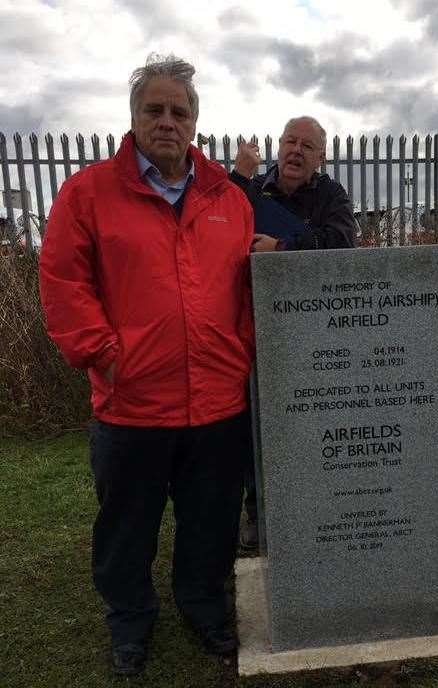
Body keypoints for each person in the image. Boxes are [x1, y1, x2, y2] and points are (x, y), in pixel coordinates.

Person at [39, 54, 254, 675]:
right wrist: (104, 357)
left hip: (217, 400)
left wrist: (242, 351)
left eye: (178, 110)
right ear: (133, 118)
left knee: (210, 520)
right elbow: (63, 282)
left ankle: (203, 604)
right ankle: (130, 620)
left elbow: (245, 285)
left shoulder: (228, 198)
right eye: (153, 109)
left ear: (195, 121)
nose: (167, 120)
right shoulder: (87, 194)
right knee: (126, 527)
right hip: (130, 400)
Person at [229, 116, 357, 549]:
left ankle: (314, 511)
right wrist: (241, 173)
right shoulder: (251, 189)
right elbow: (221, 223)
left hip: (312, 333)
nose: (296, 150)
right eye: (289, 141)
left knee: (308, 426)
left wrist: (281, 249)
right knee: (254, 427)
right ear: (278, 146)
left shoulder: (330, 195)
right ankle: (257, 517)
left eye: (307, 145)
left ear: (321, 157)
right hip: (254, 326)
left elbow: (342, 242)